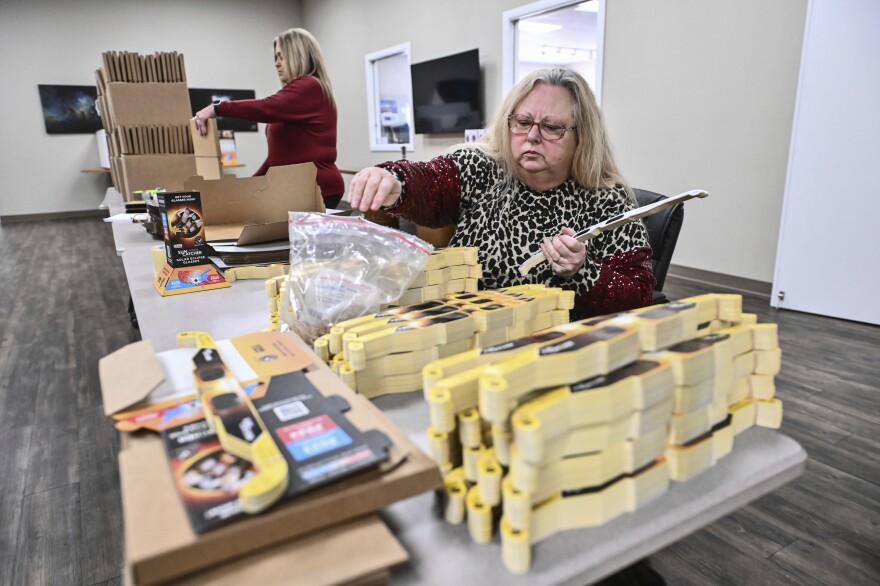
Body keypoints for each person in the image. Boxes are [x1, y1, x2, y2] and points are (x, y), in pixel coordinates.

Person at [349, 68, 655, 318]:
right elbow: (431, 182)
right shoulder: (482, 166)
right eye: (522, 122)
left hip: (546, 348)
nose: (532, 136)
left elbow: (638, 296)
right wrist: (395, 181)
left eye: (551, 127)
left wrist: (582, 270)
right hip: (462, 327)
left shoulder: (606, 198)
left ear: (582, 136)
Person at [193, 28, 345, 209]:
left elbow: (266, 107)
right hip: (296, 187)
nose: (276, 63)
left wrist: (218, 107)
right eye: (275, 57)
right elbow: (277, 158)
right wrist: (247, 185)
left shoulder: (310, 86)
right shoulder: (295, 95)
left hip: (318, 187)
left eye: (281, 56)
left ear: (297, 55)